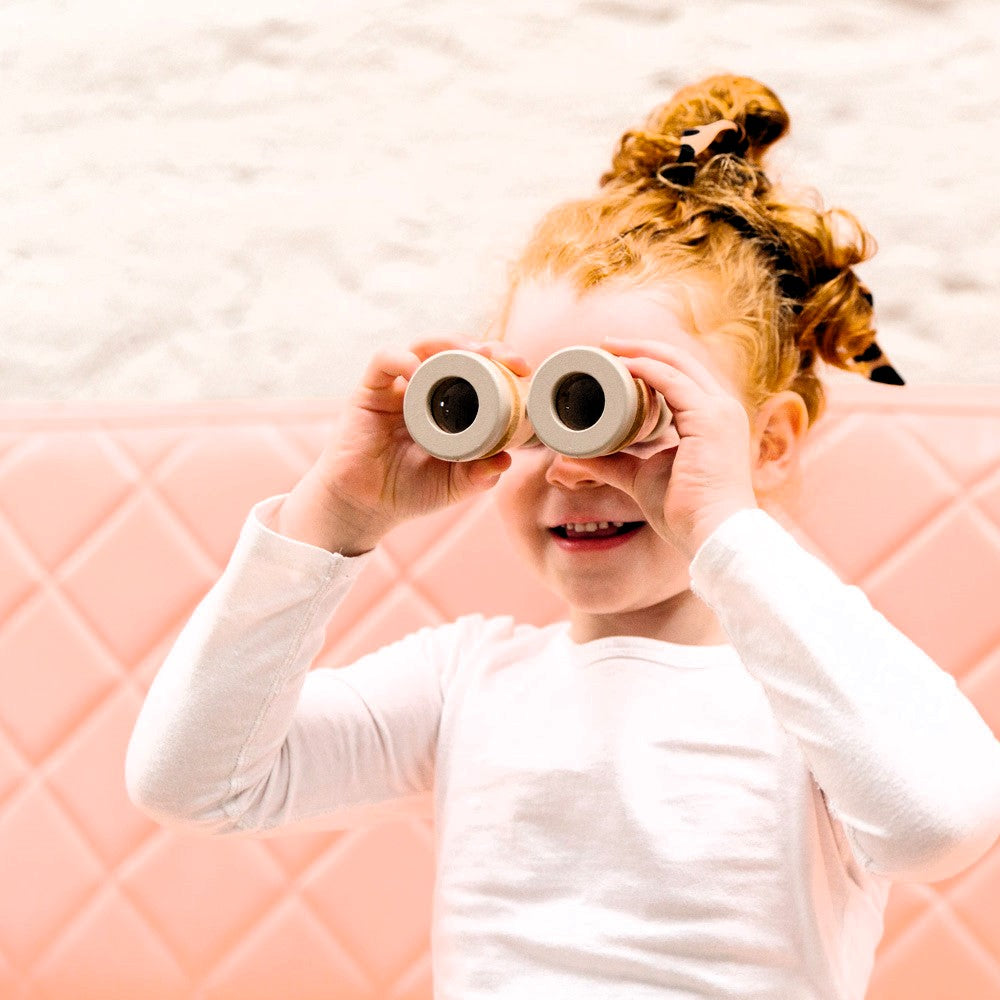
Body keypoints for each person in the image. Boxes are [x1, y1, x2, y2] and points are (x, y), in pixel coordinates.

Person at [125, 74, 1000, 999]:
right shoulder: (468, 683)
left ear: (768, 442)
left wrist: (726, 530)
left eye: (619, 414)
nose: (576, 465)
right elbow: (191, 785)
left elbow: (940, 825)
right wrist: (332, 515)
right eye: (536, 411)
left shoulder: (820, 697)